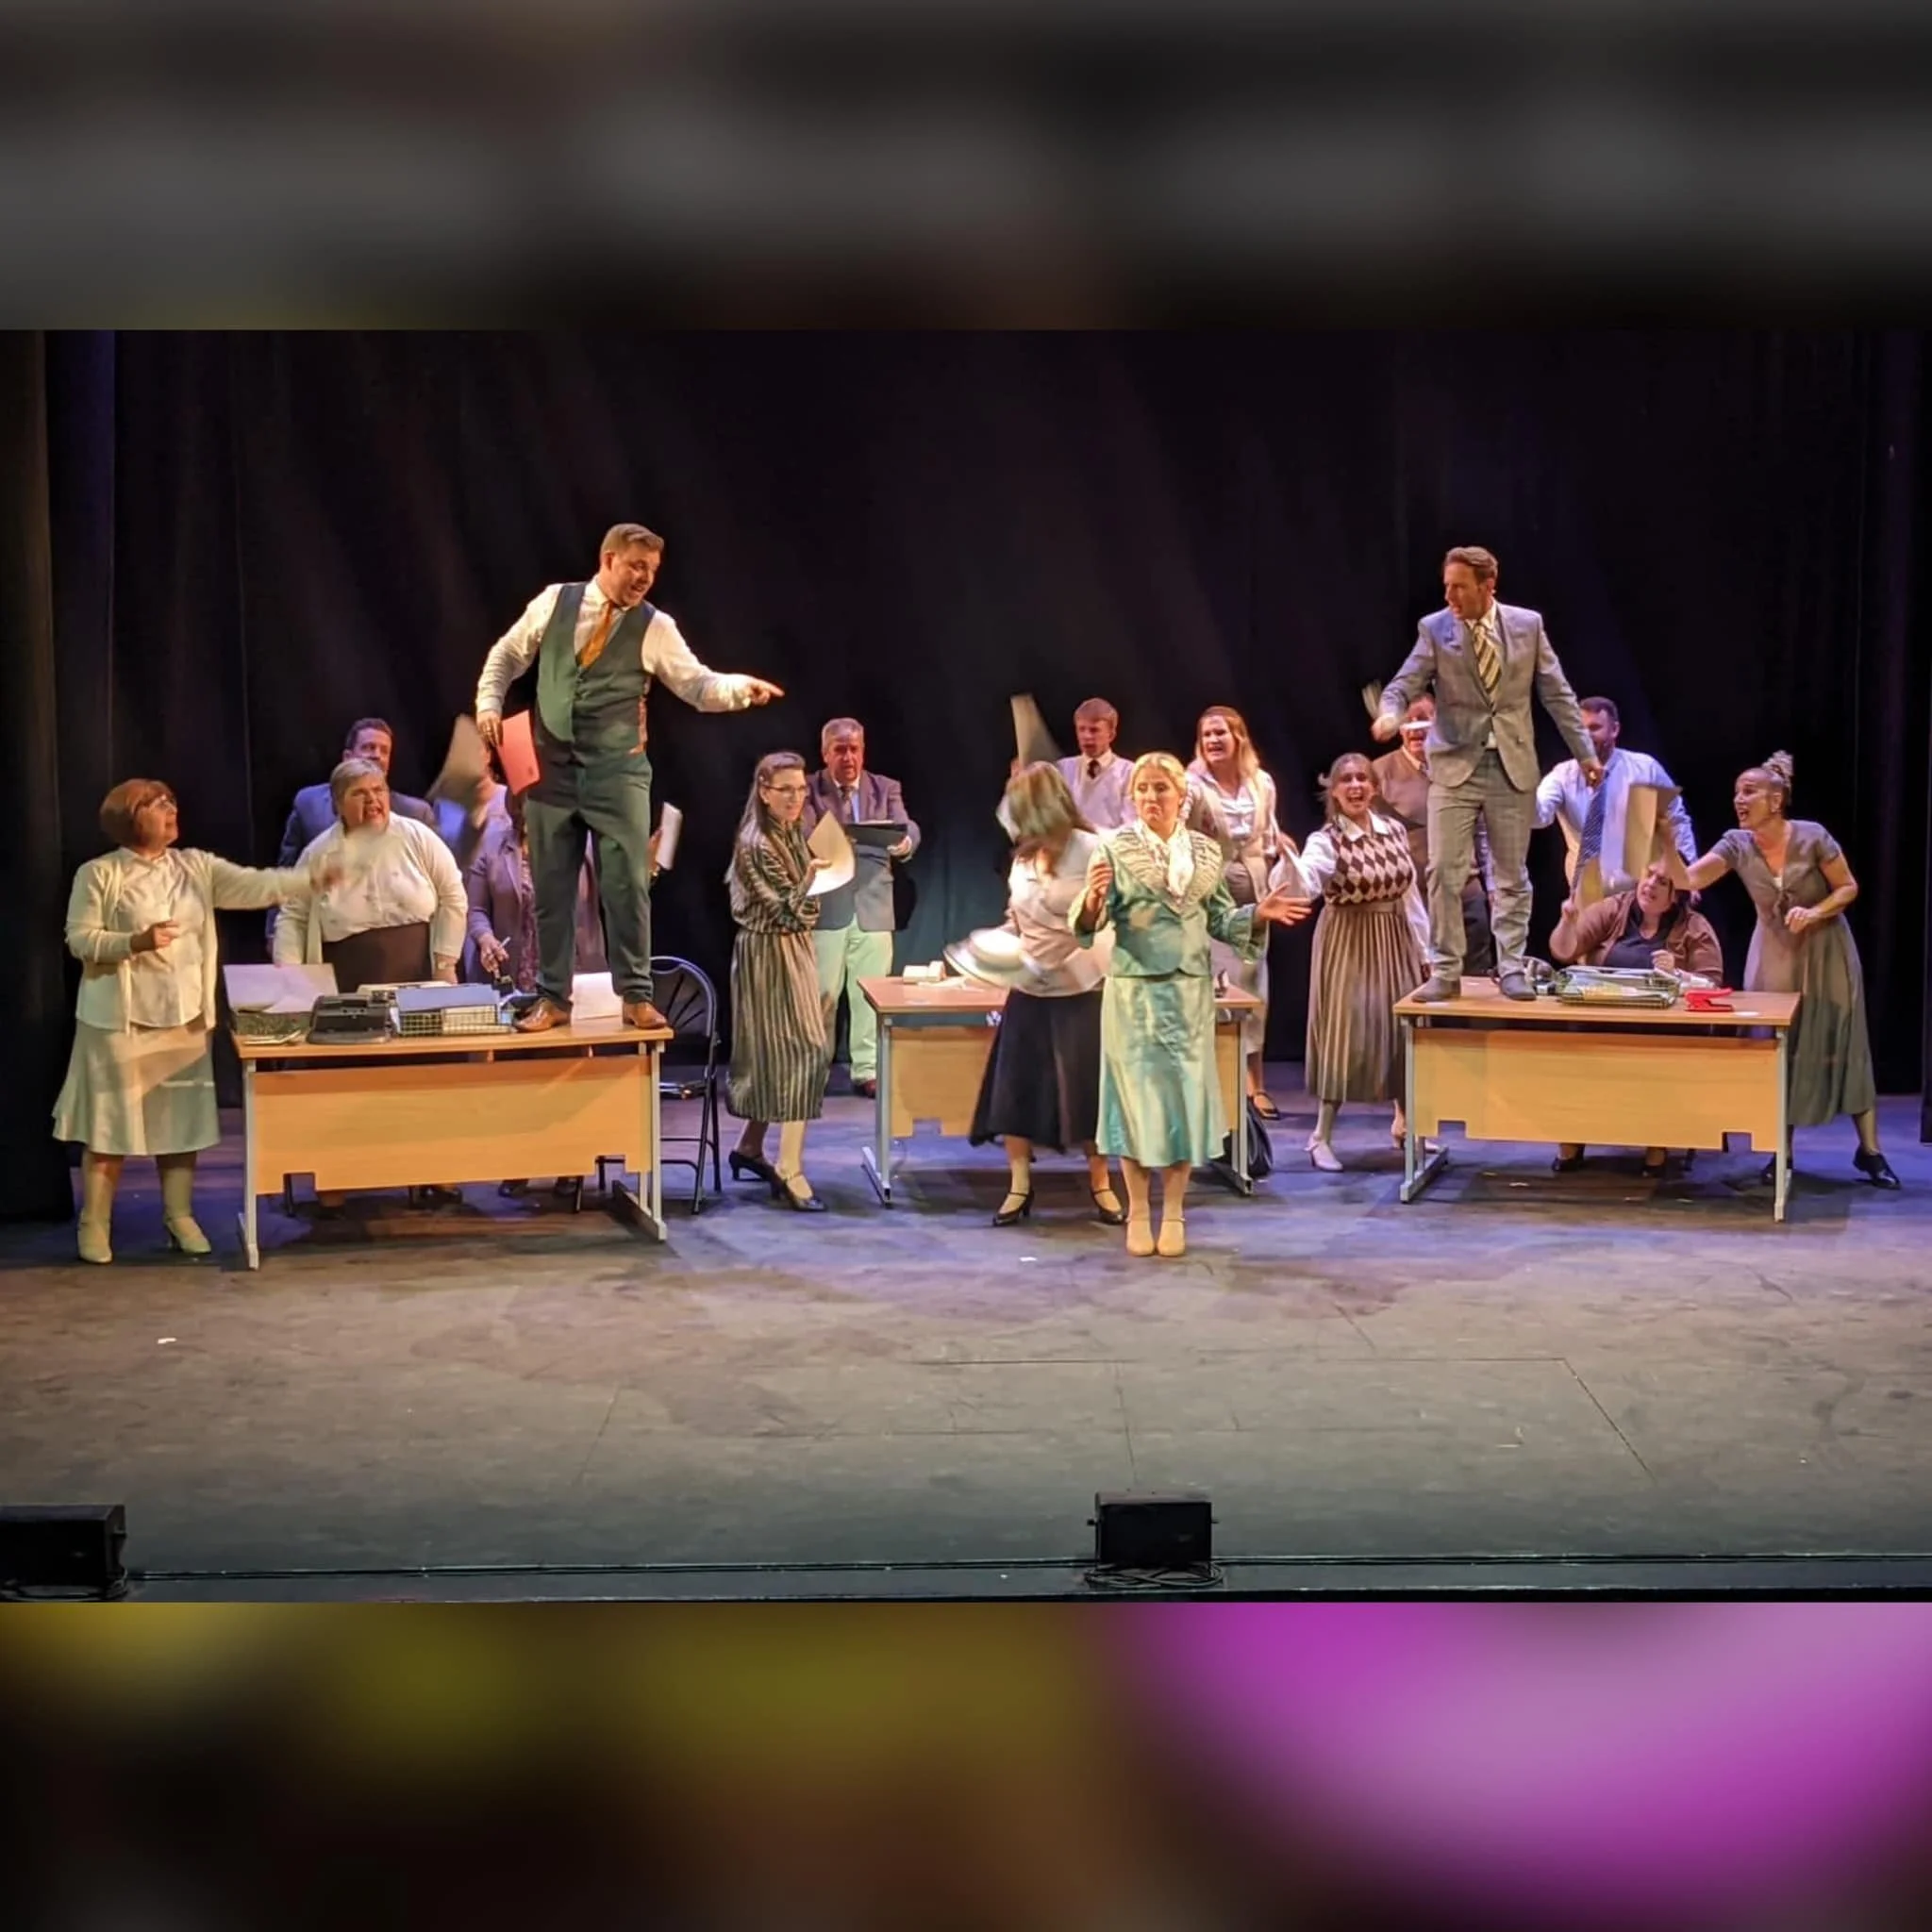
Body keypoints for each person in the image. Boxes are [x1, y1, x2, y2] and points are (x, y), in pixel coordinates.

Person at [474, 522, 784, 1035]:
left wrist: (736, 690)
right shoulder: (555, 602)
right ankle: (553, 998)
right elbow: (508, 654)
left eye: (653, 570)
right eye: (637, 566)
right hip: (552, 771)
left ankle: (636, 997)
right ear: (609, 560)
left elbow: (696, 683)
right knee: (551, 888)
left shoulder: (654, 625)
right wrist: (489, 702)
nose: (645, 578)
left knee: (627, 887)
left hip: (617, 773)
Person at [53, 779, 335, 1263]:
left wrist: (309, 879)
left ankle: (178, 1216)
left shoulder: (195, 867)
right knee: (110, 1125)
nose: (170, 809)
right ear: (130, 817)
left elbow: (256, 885)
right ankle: (95, 1222)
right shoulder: (99, 873)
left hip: (182, 1017)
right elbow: (79, 939)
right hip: (119, 1023)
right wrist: (133, 942)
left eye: (171, 802)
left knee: (180, 1123)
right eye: (157, 804)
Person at [1072, 752, 1308, 1258]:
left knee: (1181, 1102)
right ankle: (1139, 1210)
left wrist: (1257, 914)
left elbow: (1220, 920)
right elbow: (1089, 923)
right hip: (1135, 993)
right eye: (1142, 789)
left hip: (1188, 992)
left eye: (1161, 788)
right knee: (1135, 1104)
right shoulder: (1113, 848)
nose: (1151, 797)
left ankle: (1175, 1210)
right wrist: (1092, 902)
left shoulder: (1204, 852)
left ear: (1182, 796)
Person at [1373, 545, 1602, 1002]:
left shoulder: (1527, 625)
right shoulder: (1435, 629)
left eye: (1459, 587)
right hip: (1455, 766)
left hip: (1510, 766)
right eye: (1446, 587)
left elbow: (1557, 694)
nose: (1450, 596)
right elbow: (1403, 683)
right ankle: (1445, 969)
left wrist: (1586, 754)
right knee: (1444, 870)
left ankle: (1511, 965)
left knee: (1511, 874)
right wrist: (1390, 713)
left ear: (1487, 585)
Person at [1683, 751, 1898, 1188]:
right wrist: (1664, 842)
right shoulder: (1736, 844)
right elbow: (1690, 880)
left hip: (1827, 952)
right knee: (1779, 1049)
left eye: (1749, 792)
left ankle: (1870, 1151)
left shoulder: (1812, 836)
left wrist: (1815, 912)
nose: (1739, 800)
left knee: (1845, 1043)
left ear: (1776, 800)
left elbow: (1848, 887)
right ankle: (1781, 1150)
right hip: (1774, 955)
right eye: (1736, 793)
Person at [966, 763, 1125, 1228]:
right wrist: (986, 948)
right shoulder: (1022, 860)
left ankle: (1101, 1183)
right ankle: (1019, 1185)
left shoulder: (1093, 850)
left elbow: (1105, 920)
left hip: (1080, 989)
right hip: (1030, 988)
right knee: (1016, 1092)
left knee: (1088, 1094)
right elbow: (1018, 920)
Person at [1276, 752, 1431, 1173]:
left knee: (1400, 1031)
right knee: (1346, 1035)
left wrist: (1425, 951)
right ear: (1334, 791)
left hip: (1394, 938)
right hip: (1349, 942)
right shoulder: (1326, 840)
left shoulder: (1393, 830)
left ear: (1374, 787)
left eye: (1363, 778)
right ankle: (1320, 1136)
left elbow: (1409, 895)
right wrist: (1288, 861)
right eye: (1346, 779)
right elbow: (1305, 884)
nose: (1356, 786)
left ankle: (1406, 1124)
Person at [1547, 860, 1726, 1177]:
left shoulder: (1694, 926)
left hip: (1660, 1032)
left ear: (1676, 893)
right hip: (1601, 1024)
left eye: (1662, 881)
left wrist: (1679, 973)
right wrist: (1567, 922)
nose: (1651, 884)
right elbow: (1564, 951)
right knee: (1573, 1054)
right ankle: (1572, 1136)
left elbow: (1712, 983)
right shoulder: (1614, 909)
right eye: (1648, 875)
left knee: (1657, 1061)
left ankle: (1656, 1143)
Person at [724, 752, 833, 1213]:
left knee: (780, 1055)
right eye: (785, 789)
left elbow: (806, 912)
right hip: (767, 953)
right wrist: (810, 879)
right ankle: (790, 1168)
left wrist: (811, 885)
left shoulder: (792, 831)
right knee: (804, 1051)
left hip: (793, 948)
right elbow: (785, 911)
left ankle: (750, 1147)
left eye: (801, 789)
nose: (795, 798)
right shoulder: (755, 843)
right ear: (764, 792)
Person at [273, 758, 469, 987]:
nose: (372, 799)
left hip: (420, 980)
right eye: (359, 793)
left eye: (378, 790)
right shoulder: (317, 854)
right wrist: (292, 979)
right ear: (338, 805)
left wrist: (445, 965)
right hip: (346, 983)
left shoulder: (418, 837)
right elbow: (293, 918)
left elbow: (453, 895)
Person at [803, 717, 919, 1100]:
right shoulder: (809, 789)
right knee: (822, 993)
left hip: (873, 903)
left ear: (863, 751)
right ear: (826, 753)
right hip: (827, 905)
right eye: (840, 750)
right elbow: (803, 832)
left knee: (871, 993)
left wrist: (903, 843)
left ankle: (867, 1069)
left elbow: (907, 828)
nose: (848, 757)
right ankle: (815, 1070)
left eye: (854, 749)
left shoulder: (885, 787)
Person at [1185, 706, 1292, 1118]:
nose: (1213, 740)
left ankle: (1255, 1085)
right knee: (1214, 990)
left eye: (1220, 733)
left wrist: (1280, 845)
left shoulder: (1260, 782)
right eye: (1207, 734)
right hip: (1210, 900)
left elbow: (1267, 832)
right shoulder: (1193, 784)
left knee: (1253, 989)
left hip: (1257, 898)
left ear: (1238, 737)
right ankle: (1213, 1087)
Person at [270, 717, 435, 941]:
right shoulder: (308, 804)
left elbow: (440, 883)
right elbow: (287, 869)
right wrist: (274, 931)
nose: (377, 755)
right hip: (328, 932)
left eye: (384, 750)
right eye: (368, 747)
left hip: (398, 933)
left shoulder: (416, 813)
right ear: (347, 757)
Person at [1370, 693, 1496, 977]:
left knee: (1474, 982)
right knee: (1419, 984)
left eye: (1423, 719)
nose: (1416, 728)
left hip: (1466, 897)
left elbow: (1483, 833)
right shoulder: (1378, 774)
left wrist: (1494, 887)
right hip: (1416, 903)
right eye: (1408, 720)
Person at [1536, 695, 1697, 891]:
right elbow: (1539, 816)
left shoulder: (1645, 769)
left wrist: (1687, 876)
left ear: (1614, 730)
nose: (1585, 736)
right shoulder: (1562, 776)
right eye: (1580, 729)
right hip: (1588, 896)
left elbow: (1677, 822)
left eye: (1594, 728)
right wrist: (1520, 788)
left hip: (1642, 893)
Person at [1056, 697, 1136, 829]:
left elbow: (1130, 825)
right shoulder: (1062, 769)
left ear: (1111, 735)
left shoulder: (1129, 772)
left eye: (1094, 730)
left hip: (1113, 842)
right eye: (1081, 729)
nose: (1087, 736)